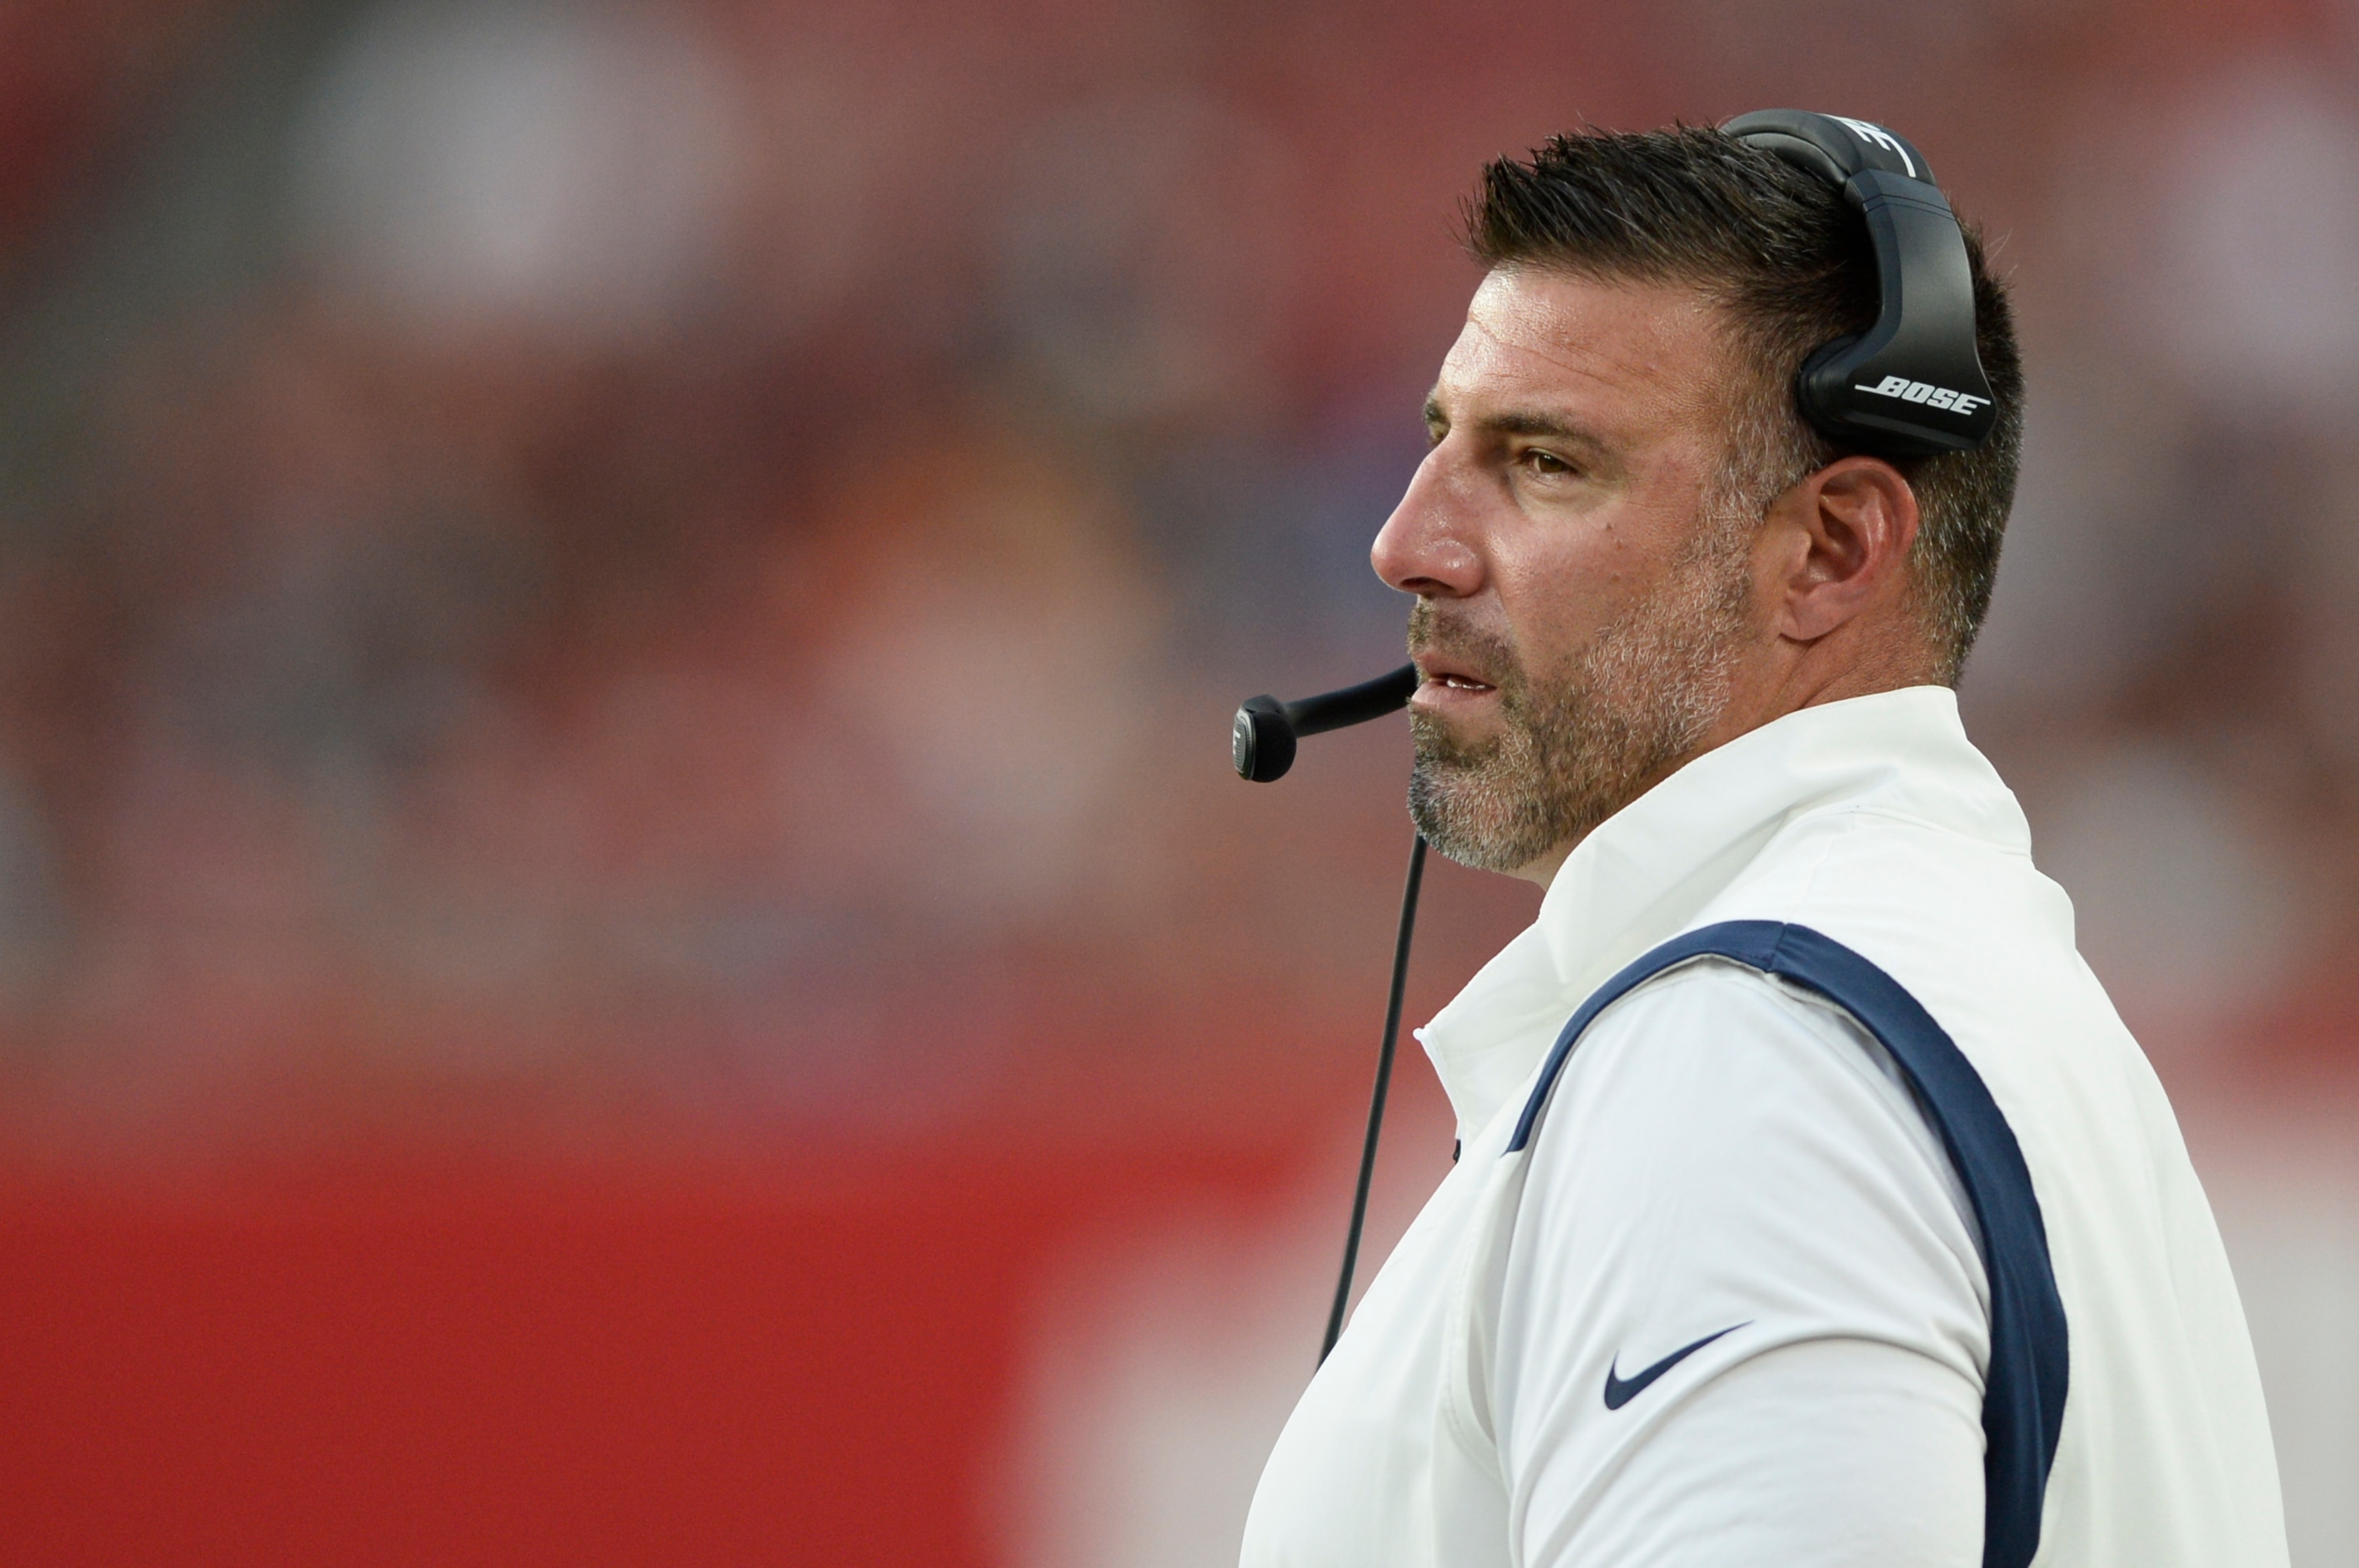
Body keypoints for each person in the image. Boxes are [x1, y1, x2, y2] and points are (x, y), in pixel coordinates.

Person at [1238, 123, 2285, 1567]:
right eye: (1440, 440)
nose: (1406, 543)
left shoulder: (1750, 1059)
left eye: (1543, 461)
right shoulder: (1941, 982)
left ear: (1835, 549)